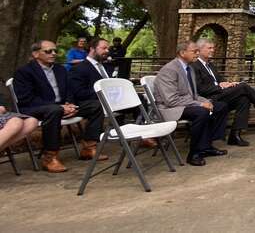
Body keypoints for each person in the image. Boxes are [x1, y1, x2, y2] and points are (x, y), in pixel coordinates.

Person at [13, 40, 108, 172]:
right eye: (48, 51)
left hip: (61, 106)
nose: (53, 54)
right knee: (54, 110)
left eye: (55, 51)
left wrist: (69, 104)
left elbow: (69, 90)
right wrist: (61, 107)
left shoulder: (60, 69)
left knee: (95, 105)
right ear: (35, 54)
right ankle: (50, 157)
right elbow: (27, 99)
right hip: (35, 108)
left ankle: (89, 147)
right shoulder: (24, 72)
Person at [190, 38, 255, 147]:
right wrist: (219, 86)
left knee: (244, 99)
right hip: (208, 98)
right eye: (209, 48)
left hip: (220, 95)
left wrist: (230, 83)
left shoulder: (210, 65)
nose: (212, 50)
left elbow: (221, 80)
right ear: (200, 50)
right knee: (243, 87)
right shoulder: (194, 66)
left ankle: (235, 135)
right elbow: (199, 89)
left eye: (213, 48)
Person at [68, 38, 157, 148]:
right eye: (103, 48)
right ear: (92, 49)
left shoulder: (107, 66)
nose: (107, 51)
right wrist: (104, 93)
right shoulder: (79, 69)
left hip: (113, 101)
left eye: (108, 48)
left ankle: (143, 135)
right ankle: (89, 146)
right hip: (95, 102)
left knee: (138, 98)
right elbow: (79, 93)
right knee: (97, 106)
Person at [152, 41, 230, 166]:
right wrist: (199, 105)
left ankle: (206, 145)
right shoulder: (169, 70)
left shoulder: (189, 68)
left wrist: (206, 101)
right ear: (182, 53)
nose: (198, 53)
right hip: (170, 109)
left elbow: (193, 95)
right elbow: (171, 100)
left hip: (184, 104)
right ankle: (194, 153)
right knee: (201, 112)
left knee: (220, 106)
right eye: (195, 51)